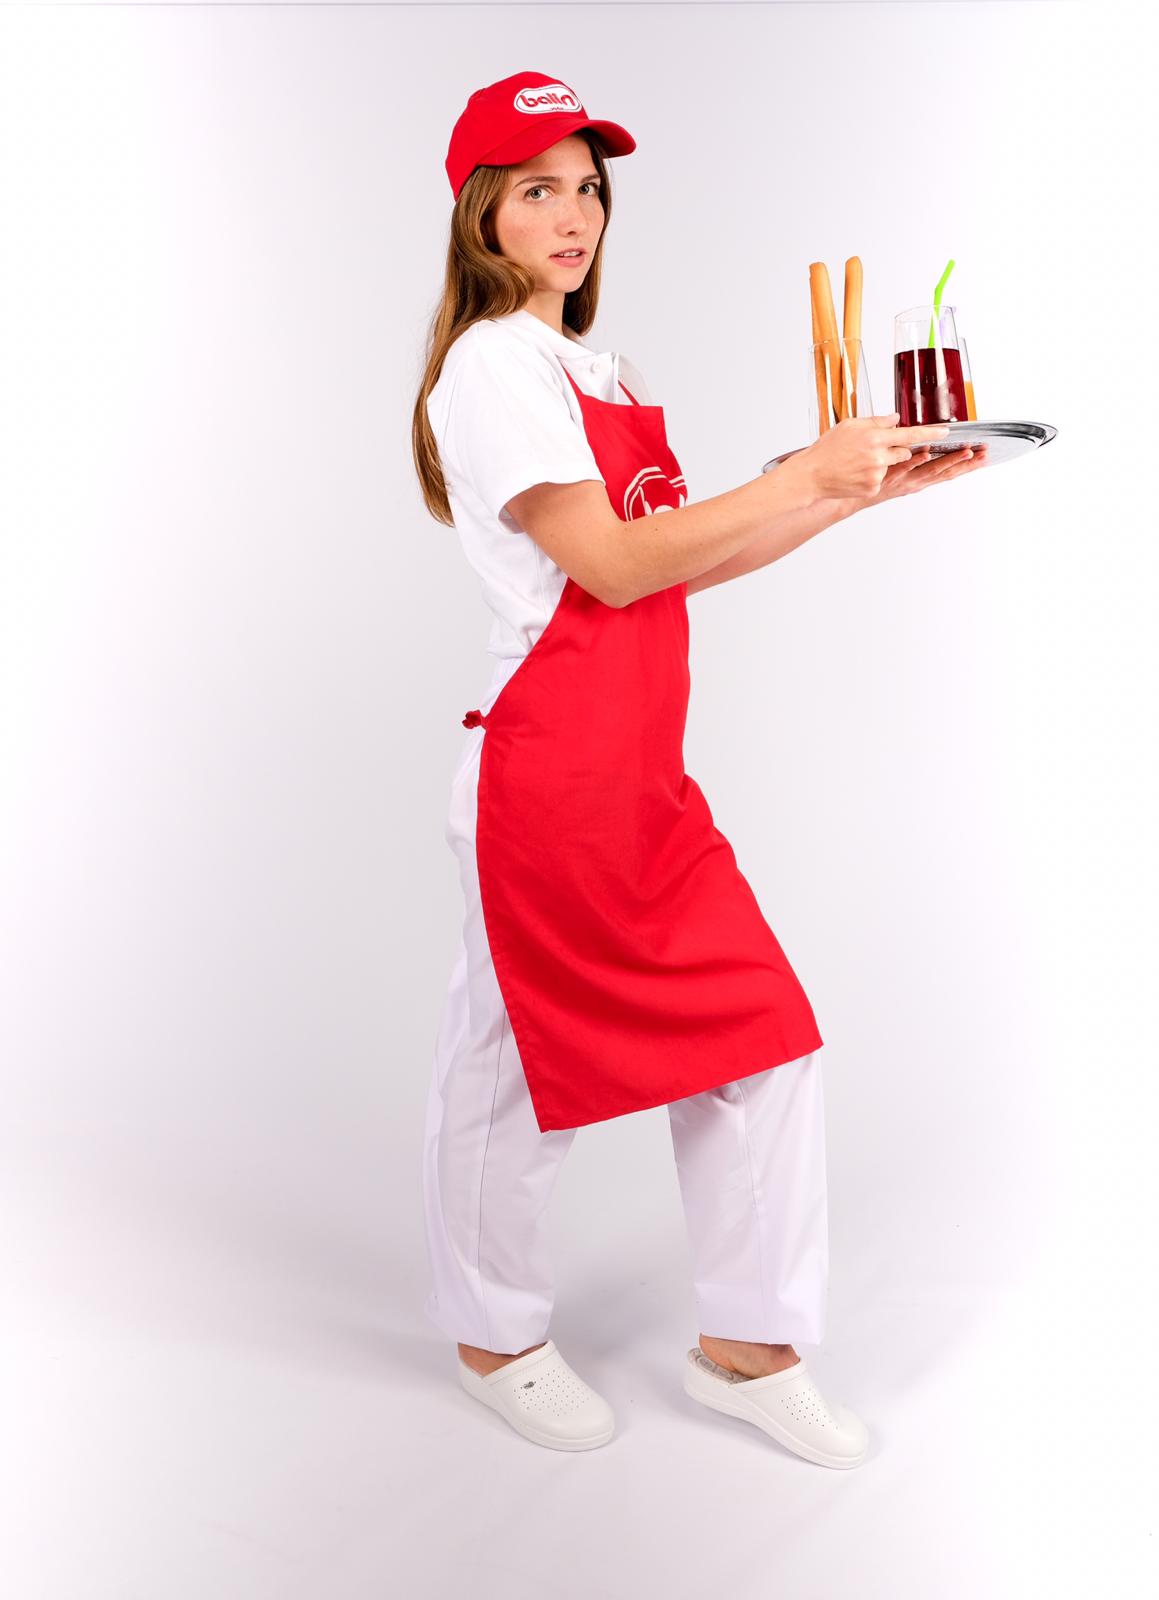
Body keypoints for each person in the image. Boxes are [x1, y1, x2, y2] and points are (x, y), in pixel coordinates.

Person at [410, 69, 986, 1467]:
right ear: (483, 213)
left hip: (641, 774)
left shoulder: (600, 373)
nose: (574, 215)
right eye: (538, 189)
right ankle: (493, 1339)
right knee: (514, 1063)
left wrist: (847, 493)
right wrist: (801, 474)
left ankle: (749, 1348)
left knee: (760, 1035)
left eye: (588, 187)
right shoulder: (491, 366)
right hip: (543, 774)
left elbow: (684, 563)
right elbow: (609, 565)